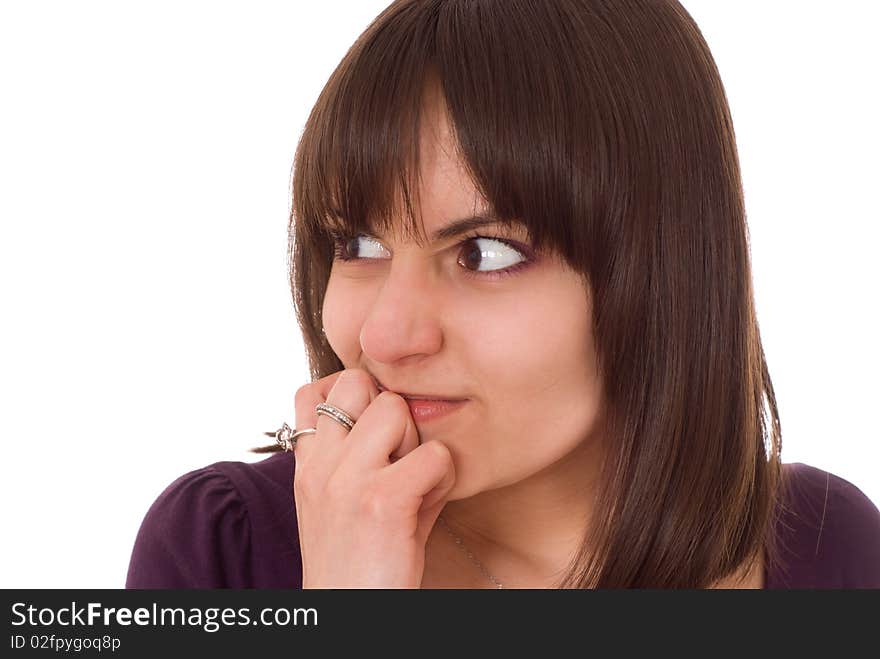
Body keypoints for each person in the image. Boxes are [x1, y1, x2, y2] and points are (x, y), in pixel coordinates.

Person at [125, 0, 880, 589]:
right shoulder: (222, 552)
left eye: (485, 253)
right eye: (358, 244)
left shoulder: (827, 549)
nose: (386, 334)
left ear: (659, 271)